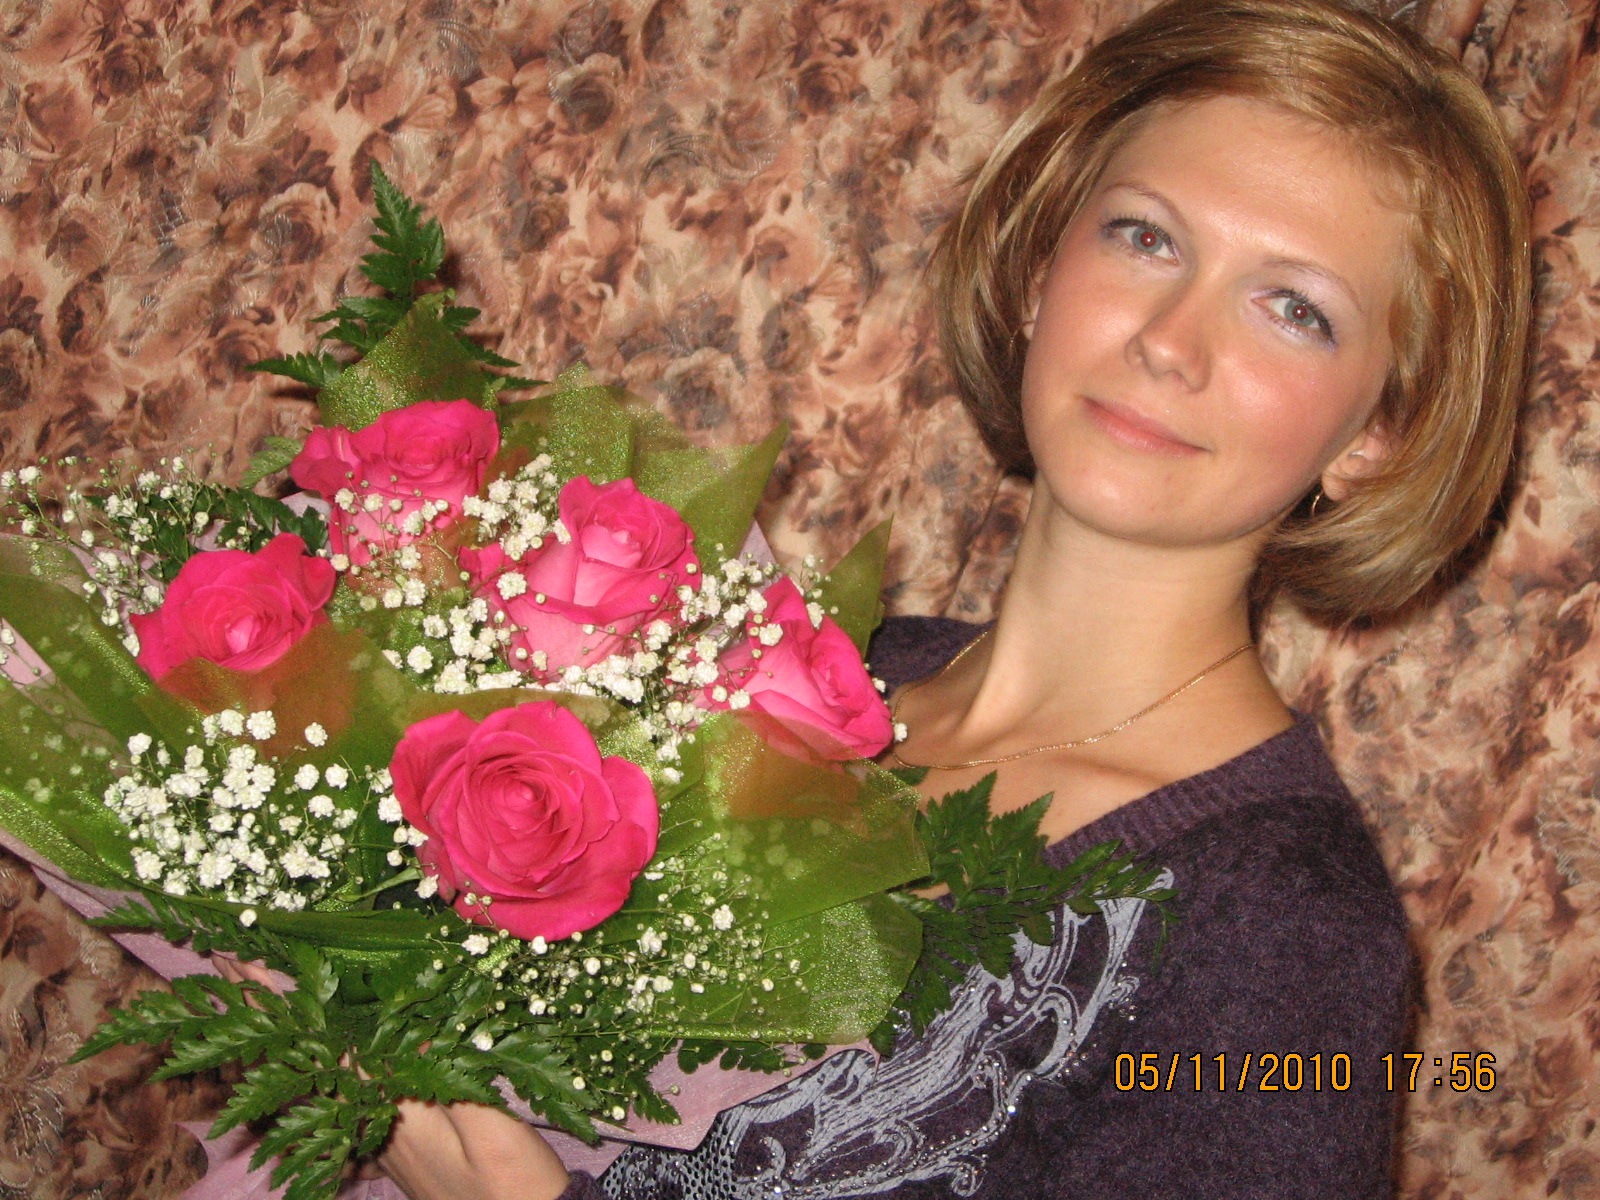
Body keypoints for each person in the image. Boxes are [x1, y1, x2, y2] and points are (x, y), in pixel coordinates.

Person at [372, 0, 1533, 1196]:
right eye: (1144, 237)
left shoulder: (1285, 926)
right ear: (1038, 271)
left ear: (1378, 437)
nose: (1168, 342)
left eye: (1293, 309)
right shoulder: (807, 669)